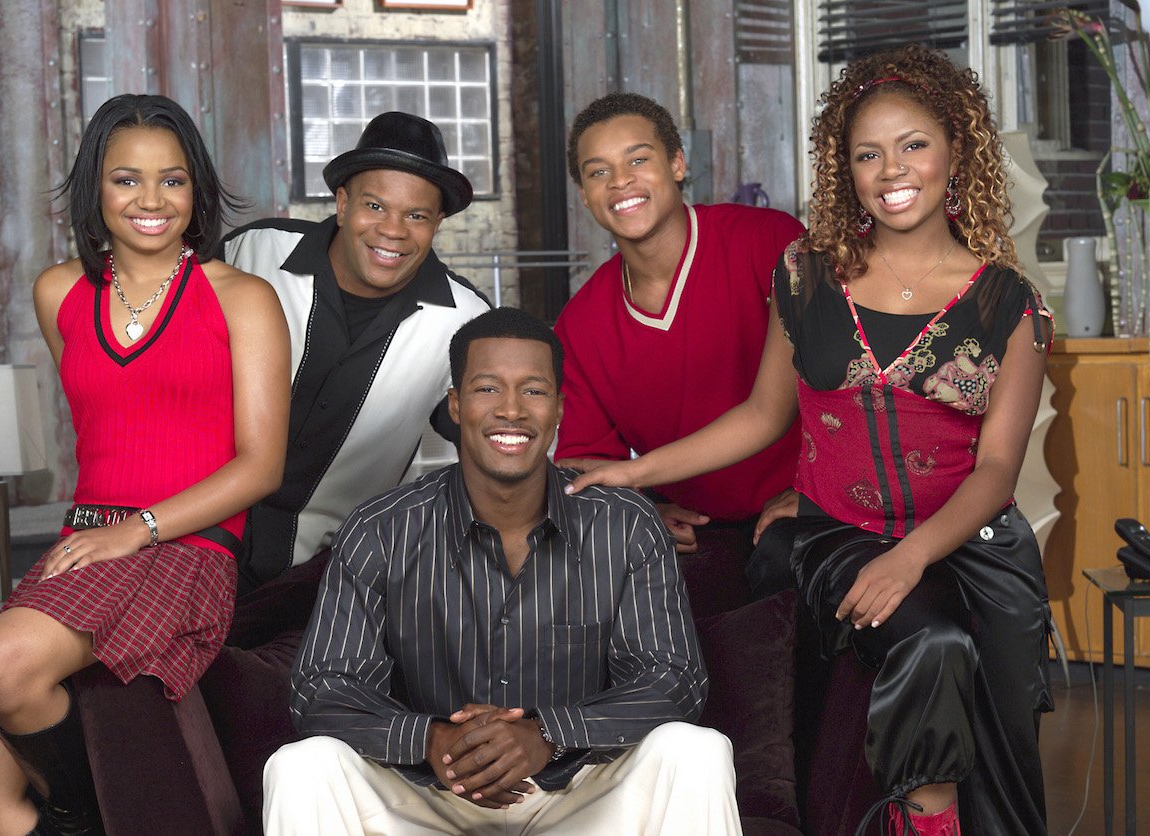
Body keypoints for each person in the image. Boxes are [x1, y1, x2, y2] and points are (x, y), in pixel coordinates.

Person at [566, 45, 1053, 835]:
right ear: (847, 171)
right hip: (842, 534)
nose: (892, 169)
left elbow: (998, 469)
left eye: (914, 145)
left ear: (956, 153)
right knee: (930, 643)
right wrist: (636, 476)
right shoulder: (807, 273)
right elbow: (763, 415)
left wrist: (914, 555)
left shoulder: (1010, 303)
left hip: (975, 548)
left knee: (1001, 761)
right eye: (868, 153)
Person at [0, 94, 291, 835]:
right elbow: (108, 425)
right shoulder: (58, 292)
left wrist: (138, 530)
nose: (151, 200)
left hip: (181, 548)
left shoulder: (243, 299)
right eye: (126, 179)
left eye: (172, 179)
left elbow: (260, 467)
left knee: (6, 665)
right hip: (87, 546)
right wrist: (107, 536)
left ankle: (81, 816)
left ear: (196, 190)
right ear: (95, 190)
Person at [262, 307, 742, 836]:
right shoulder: (381, 529)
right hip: (429, 798)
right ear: (456, 404)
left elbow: (672, 680)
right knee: (301, 766)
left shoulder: (624, 525)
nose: (511, 410)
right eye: (488, 389)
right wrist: (431, 739)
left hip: (578, 798)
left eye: (533, 391)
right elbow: (323, 688)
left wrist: (546, 735)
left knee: (697, 752)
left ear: (558, 409)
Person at [220, 111, 490, 596]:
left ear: (437, 223)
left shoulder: (464, 321)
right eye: (375, 206)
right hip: (195, 543)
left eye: (417, 215)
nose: (394, 230)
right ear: (342, 203)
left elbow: (494, 447)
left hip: (331, 580)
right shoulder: (253, 252)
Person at [553, 92, 804, 602]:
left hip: (802, 503)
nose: (620, 181)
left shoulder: (770, 241)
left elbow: (855, 380)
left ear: (677, 163)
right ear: (583, 195)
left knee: (784, 583)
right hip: (695, 527)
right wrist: (639, 507)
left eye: (638, 160)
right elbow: (582, 466)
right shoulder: (580, 324)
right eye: (597, 172)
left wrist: (822, 494)